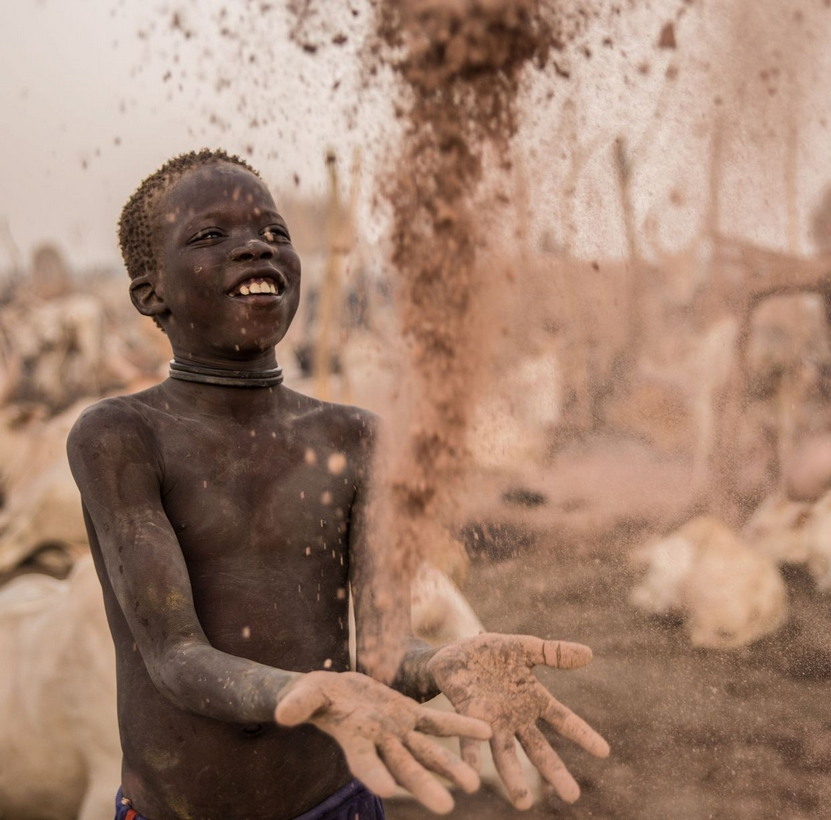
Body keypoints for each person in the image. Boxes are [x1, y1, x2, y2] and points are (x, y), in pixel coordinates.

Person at [67, 149, 609, 820]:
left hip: (336, 806)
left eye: (274, 234)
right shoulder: (121, 437)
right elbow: (175, 655)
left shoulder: (354, 439)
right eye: (212, 237)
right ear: (151, 292)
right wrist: (317, 691)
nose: (253, 249)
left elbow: (382, 656)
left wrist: (440, 665)